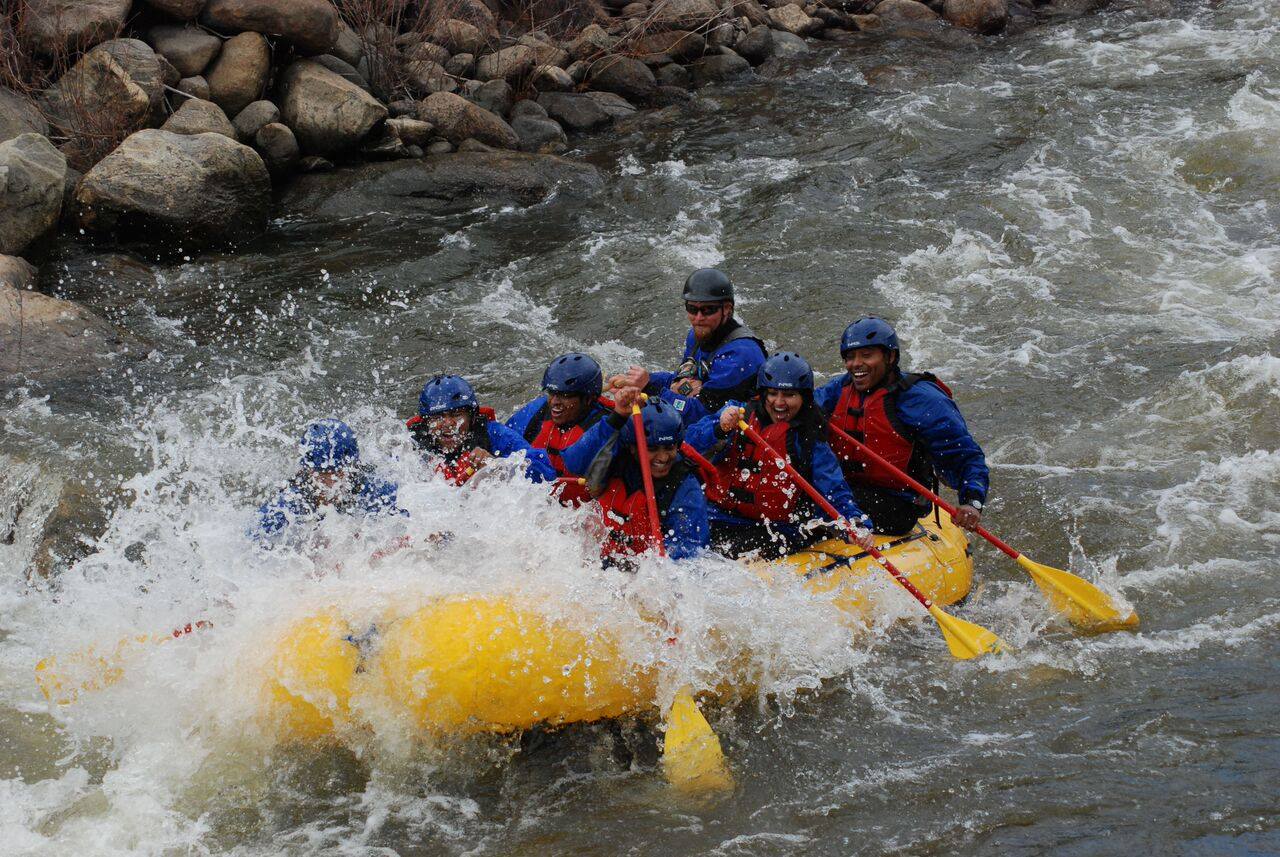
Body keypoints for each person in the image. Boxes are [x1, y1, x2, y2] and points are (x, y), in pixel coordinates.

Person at [685, 352, 874, 559]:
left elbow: (833, 488)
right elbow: (687, 443)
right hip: (719, 515)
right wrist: (718, 427)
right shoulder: (738, 416)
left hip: (774, 530)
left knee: (729, 554)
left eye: (789, 395)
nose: (779, 403)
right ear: (762, 394)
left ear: (804, 398)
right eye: (773, 393)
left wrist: (855, 523)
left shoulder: (808, 439)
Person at [815, 316, 989, 535]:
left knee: (814, 506)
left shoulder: (922, 400)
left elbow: (965, 455)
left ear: (890, 356)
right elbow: (804, 411)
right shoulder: (840, 388)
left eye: (866, 355)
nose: (855, 364)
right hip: (847, 489)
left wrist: (972, 502)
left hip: (897, 504)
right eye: (850, 357)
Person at [569, 390, 710, 564]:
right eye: (652, 449)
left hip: (640, 575)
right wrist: (617, 416)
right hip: (597, 562)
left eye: (669, 448)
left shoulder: (685, 490)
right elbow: (574, 463)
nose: (663, 457)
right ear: (632, 447)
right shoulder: (615, 458)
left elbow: (688, 560)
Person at [612, 268, 767, 415]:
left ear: (727, 308)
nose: (698, 318)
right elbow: (679, 381)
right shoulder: (697, 335)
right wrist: (639, 381)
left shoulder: (740, 355)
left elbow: (700, 413)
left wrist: (649, 387)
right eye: (692, 309)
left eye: (708, 310)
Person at [254, 418, 404, 543]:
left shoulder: (375, 490)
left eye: (337, 473)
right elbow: (253, 543)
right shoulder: (288, 504)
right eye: (321, 474)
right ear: (306, 469)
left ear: (353, 466)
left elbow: (409, 524)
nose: (330, 482)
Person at [408, 374, 557, 486]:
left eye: (456, 414)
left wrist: (498, 466)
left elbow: (547, 473)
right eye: (437, 417)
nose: (448, 424)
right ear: (425, 422)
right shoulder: (409, 448)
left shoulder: (494, 435)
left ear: (472, 417)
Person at [505, 352, 612, 505]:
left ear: (588, 399)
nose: (555, 402)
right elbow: (501, 439)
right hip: (536, 507)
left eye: (565, 395)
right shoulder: (538, 411)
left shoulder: (607, 428)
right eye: (552, 393)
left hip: (580, 514)